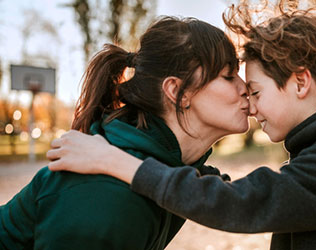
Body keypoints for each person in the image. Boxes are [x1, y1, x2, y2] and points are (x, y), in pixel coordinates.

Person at [47, 2, 316, 249]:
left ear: (300, 83)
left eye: (255, 90)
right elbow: (235, 191)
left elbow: (241, 202)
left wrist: (119, 163)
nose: (250, 103)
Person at [0, 16, 249, 249]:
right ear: (178, 91)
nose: (245, 87)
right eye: (229, 76)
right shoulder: (106, 196)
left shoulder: (170, 171)